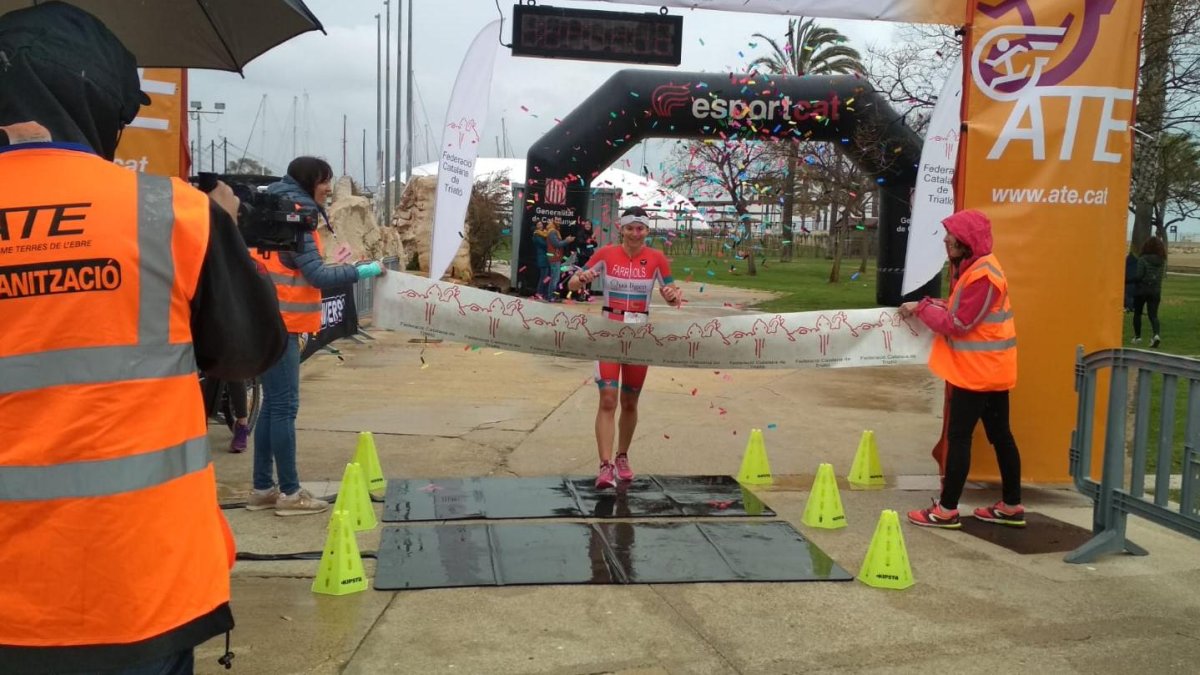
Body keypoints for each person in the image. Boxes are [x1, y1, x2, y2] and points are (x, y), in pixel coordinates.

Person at [0, 3, 286, 673]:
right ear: (95, 101)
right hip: (137, 587)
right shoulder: (171, 214)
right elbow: (250, 352)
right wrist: (226, 228)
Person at [248, 156, 386, 516]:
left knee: (271, 406)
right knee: (284, 407)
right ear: (309, 181)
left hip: (264, 320)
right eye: (324, 181)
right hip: (285, 323)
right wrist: (363, 271)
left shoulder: (269, 209)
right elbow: (317, 276)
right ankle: (290, 493)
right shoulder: (298, 217)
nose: (328, 188)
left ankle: (262, 488)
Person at [898, 209, 1024, 529]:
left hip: (977, 373)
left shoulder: (983, 275)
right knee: (1000, 436)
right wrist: (928, 304)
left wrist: (923, 308)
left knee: (960, 437)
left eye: (950, 236)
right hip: (988, 370)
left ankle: (947, 510)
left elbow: (958, 323)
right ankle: (1011, 505)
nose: (945, 240)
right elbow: (960, 307)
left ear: (966, 241)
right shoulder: (977, 269)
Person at [568, 206, 683, 488]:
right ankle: (605, 465)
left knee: (630, 402)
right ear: (622, 229)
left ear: (647, 230)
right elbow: (572, 283)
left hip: (638, 337)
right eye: (630, 228)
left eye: (640, 228)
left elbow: (674, 298)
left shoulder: (656, 258)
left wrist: (671, 295)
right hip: (608, 333)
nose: (635, 233)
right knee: (608, 398)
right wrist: (581, 279)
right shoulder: (606, 254)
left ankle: (622, 456)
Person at [1131, 236, 1166, 348]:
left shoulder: (1143, 259)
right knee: (1153, 315)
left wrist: (1129, 280)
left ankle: (1137, 337)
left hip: (1141, 290)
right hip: (1155, 290)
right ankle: (1156, 335)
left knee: (1137, 313)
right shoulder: (1162, 261)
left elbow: (1139, 275)